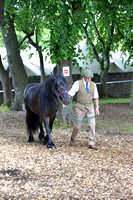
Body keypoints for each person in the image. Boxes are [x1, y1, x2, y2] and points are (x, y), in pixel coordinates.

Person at [63, 69, 100, 150]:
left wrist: (97, 108)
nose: (89, 79)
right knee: (78, 126)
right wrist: (65, 102)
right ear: (83, 76)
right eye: (87, 78)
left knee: (92, 125)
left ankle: (91, 142)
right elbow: (70, 94)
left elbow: (96, 97)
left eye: (90, 78)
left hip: (90, 107)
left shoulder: (93, 85)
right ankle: (73, 138)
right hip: (80, 107)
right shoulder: (77, 83)